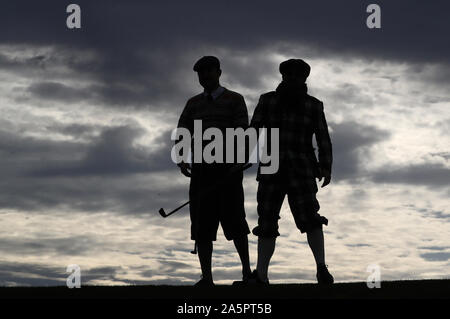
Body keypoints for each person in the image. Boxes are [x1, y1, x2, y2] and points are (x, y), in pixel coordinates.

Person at [250, 59, 334, 285]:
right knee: (266, 221)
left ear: (304, 78)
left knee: (311, 218)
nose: (293, 78)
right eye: (289, 74)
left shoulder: (314, 105)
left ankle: (321, 268)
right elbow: (253, 131)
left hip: (302, 168)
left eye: (297, 75)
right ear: (283, 76)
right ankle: (261, 275)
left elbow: (322, 136)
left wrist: (326, 166)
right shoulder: (267, 100)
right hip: (271, 168)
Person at [176, 56, 252, 287]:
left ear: (218, 72)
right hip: (201, 171)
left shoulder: (234, 99)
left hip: (228, 170)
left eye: (209, 72)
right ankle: (206, 277)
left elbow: (242, 131)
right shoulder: (193, 103)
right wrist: (182, 157)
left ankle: (247, 273)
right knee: (202, 224)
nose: (205, 76)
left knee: (236, 221)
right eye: (201, 73)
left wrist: (239, 160)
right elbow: (183, 129)